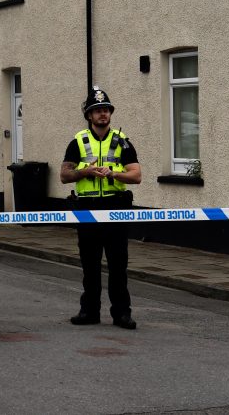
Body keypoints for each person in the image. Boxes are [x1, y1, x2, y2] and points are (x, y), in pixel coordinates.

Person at [60, 86, 142, 329]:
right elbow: (64, 175)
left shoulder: (122, 141)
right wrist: (85, 171)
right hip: (87, 208)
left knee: (118, 264)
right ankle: (89, 312)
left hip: (115, 208)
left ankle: (121, 314)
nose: (103, 114)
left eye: (106, 110)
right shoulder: (78, 141)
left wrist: (113, 174)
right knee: (90, 264)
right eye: (97, 111)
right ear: (89, 115)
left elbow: (136, 175)